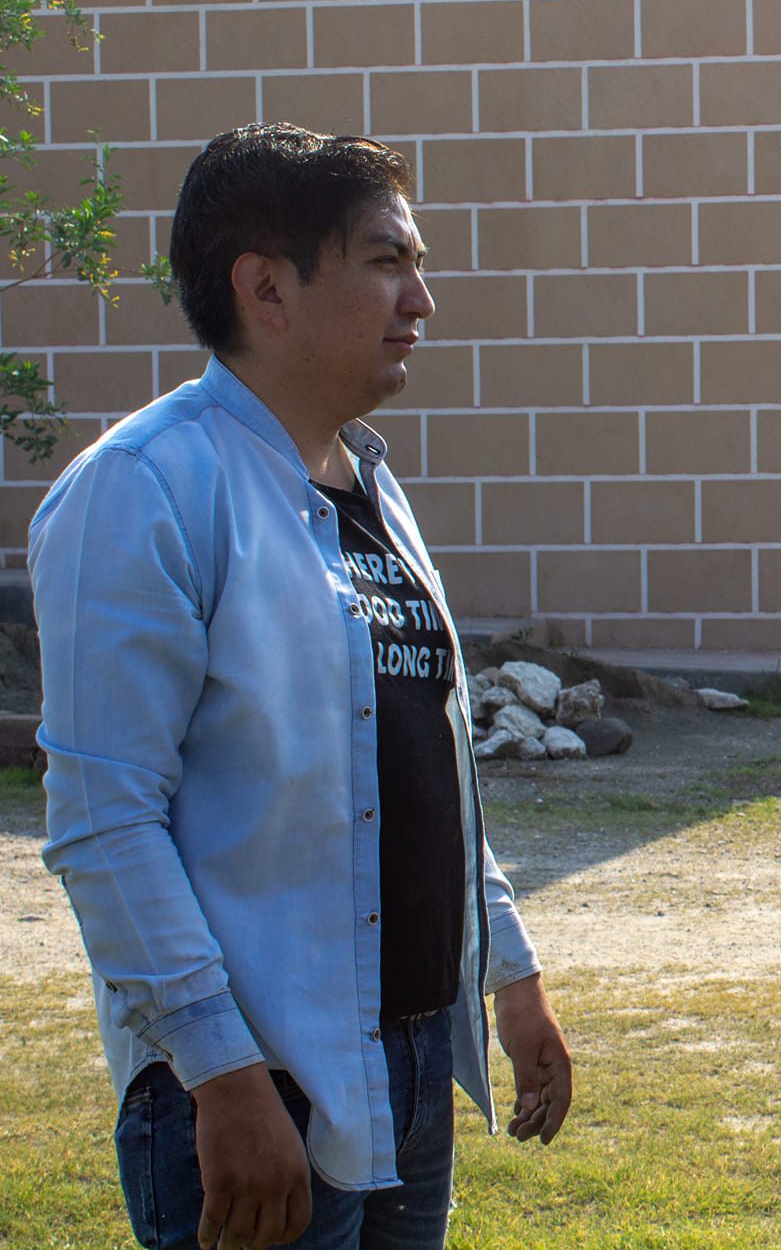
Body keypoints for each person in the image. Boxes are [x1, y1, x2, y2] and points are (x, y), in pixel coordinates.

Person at [34, 124, 572, 1250]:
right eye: (387, 261)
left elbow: (417, 768)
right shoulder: (143, 489)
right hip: (253, 1075)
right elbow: (104, 820)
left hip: (410, 1063)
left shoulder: (366, 480)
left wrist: (509, 976)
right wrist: (222, 1076)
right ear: (265, 288)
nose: (421, 300)